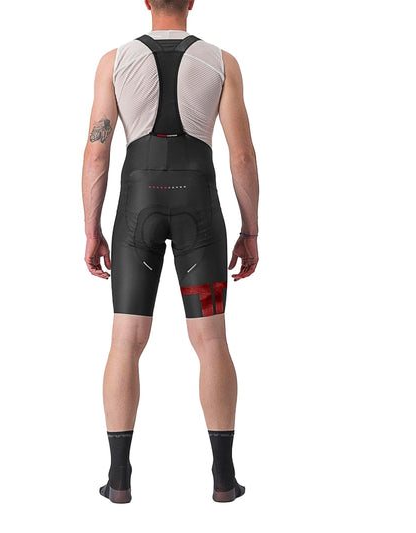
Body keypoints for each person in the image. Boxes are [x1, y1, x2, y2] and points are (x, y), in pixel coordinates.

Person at [81, 0, 259, 503]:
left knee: (126, 340)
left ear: (145, 1)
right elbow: (242, 155)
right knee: (211, 339)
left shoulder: (114, 61)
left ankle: (119, 479)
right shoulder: (221, 62)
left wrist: (92, 229)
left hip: (136, 209)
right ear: (193, 1)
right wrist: (250, 230)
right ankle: (223, 479)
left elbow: (97, 149)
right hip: (198, 209)